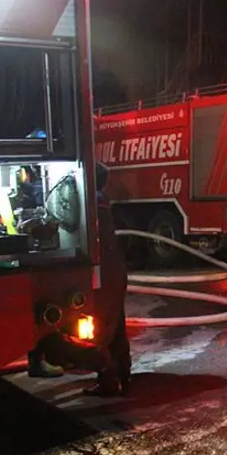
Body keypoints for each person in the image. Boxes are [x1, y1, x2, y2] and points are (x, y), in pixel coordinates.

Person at [85, 162, 131, 396]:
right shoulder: (101, 199)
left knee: (101, 327)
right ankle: (122, 370)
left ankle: (108, 380)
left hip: (103, 271)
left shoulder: (91, 200)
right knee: (117, 322)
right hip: (114, 269)